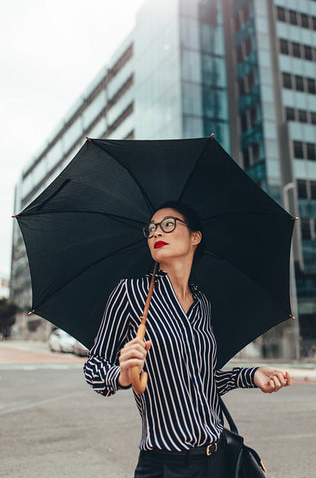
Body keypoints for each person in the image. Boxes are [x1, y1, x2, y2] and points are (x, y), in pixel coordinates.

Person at [84, 201, 291, 477]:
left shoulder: (203, 303)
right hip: (165, 463)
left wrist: (252, 375)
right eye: (151, 229)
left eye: (168, 225)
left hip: (216, 456)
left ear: (195, 236)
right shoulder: (131, 294)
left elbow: (203, 382)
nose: (156, 233)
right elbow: (94, 367)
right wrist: (121, 375)